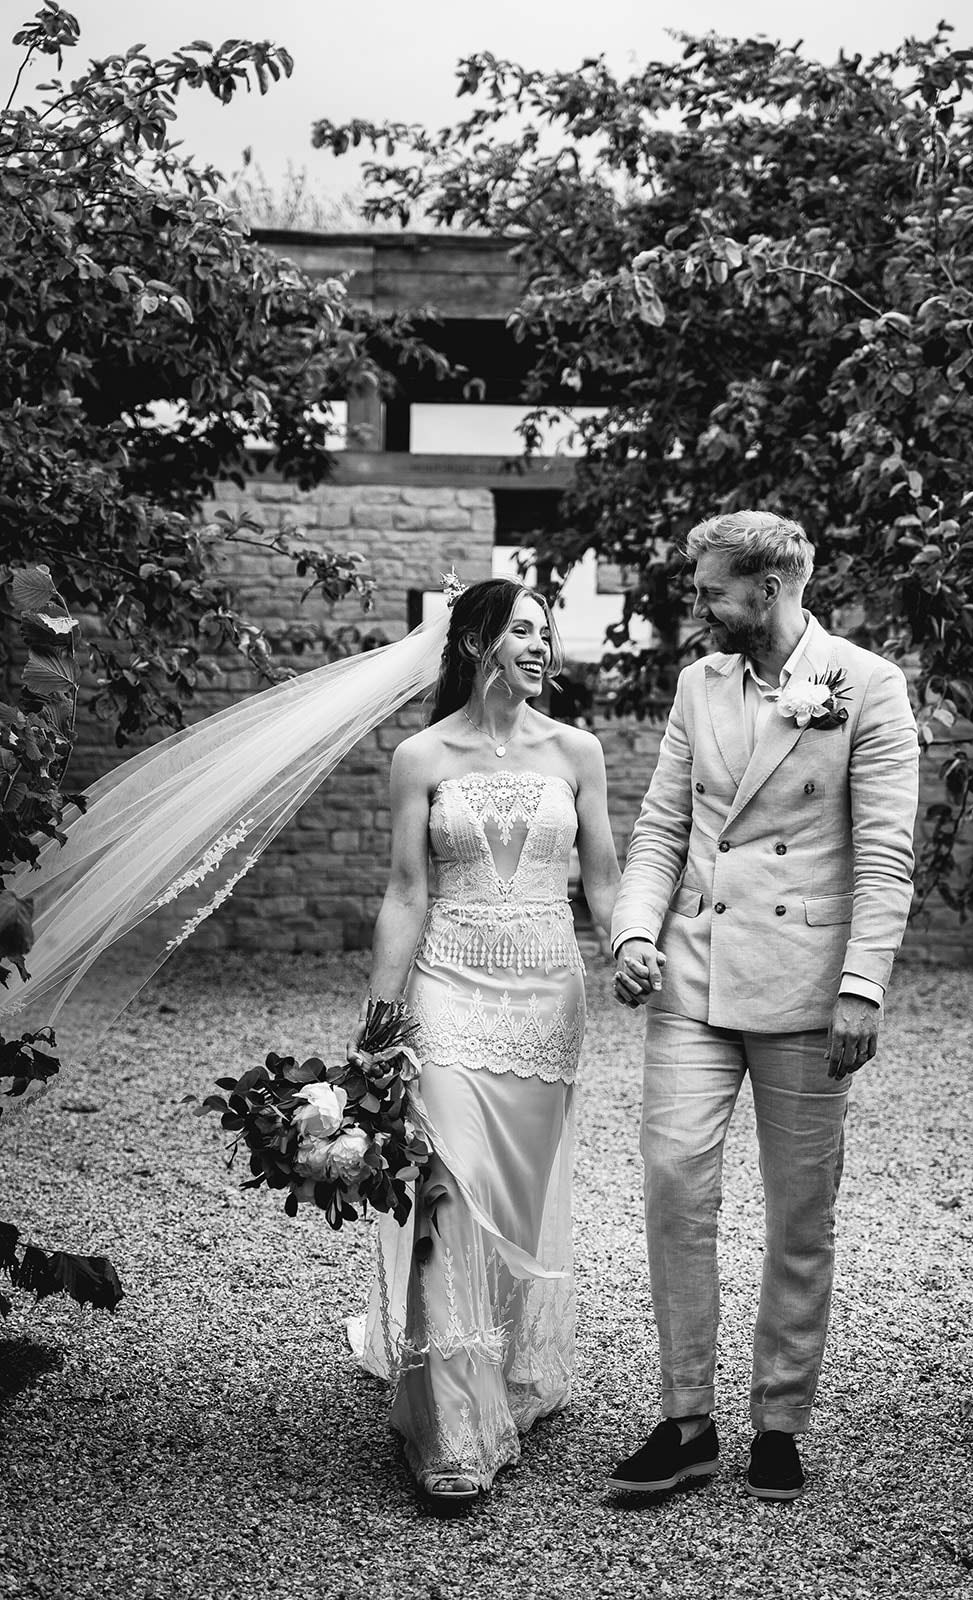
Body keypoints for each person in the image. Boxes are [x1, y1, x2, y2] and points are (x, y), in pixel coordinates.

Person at [606, 510, 919, 1502]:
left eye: (709, 591)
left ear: (767, 589)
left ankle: (777, 1422)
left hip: (803, 988)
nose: (697, 606)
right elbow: (661, 827)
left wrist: (862, 983)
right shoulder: (699, 684)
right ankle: (683, 1420)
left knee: (797, 1215)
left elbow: (881, 853)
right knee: (673, 1188)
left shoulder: (865, 685)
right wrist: (631, 931)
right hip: (692, 979)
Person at [353, 577, 620, 1507]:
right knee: (446, 1185)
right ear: (475, 645)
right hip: (448, 992)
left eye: (547, 631)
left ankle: (502, 1369)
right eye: (523, 631)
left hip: (548, 997)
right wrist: (380, 1025)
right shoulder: (419, 756)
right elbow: (404, 892)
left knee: (515, 1197)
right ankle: (450, 1428)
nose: (542, 646)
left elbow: (603, 881)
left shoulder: (577, 751)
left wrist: (631, 950)